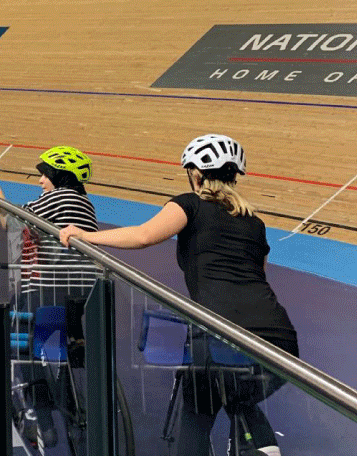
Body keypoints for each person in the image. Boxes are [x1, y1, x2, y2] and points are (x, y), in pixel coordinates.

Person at [59, 134, 297, 456]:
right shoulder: (254, 223)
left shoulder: (190, 203)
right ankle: (265, 448)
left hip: (220, 337)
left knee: (198, 412)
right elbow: (258, 276)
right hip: (279, 340)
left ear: (196, 174)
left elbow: (144, 236)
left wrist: (85, 235)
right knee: (239, 398)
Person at [0, 146, 99, 451]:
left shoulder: (59, 198)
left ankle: (43, 420)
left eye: (44, 174)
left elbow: (17, 226)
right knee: (57, 350)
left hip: (48, 291)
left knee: (23, 348)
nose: (40, 180)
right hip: (81, 294)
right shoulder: (84, 202)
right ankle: (75, 417)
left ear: (59, 177)